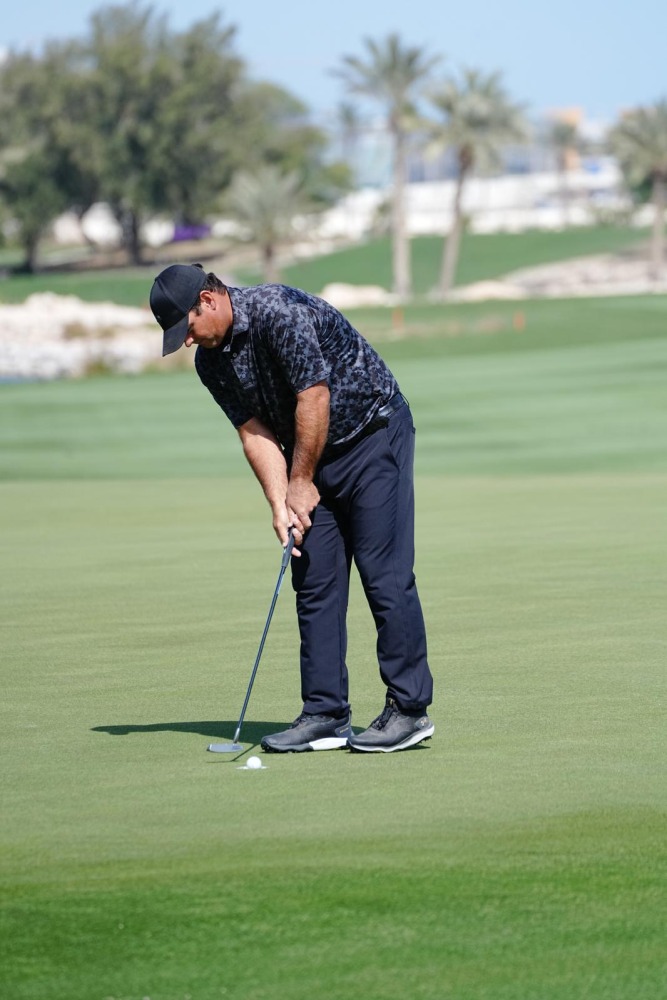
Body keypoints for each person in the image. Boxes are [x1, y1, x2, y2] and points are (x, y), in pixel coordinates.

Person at [149, 262, 434, 753]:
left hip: (371, 435)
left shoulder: (278, 313)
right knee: (315, 577)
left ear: (209, 300)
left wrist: (301, 480)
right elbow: (253, 432)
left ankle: (409, 710)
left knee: (383, 574)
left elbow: (314, 397)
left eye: (189, 327)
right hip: (311, 452)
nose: (189, 341)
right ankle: (325, 713)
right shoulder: (211, 363)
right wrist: (281, 503)